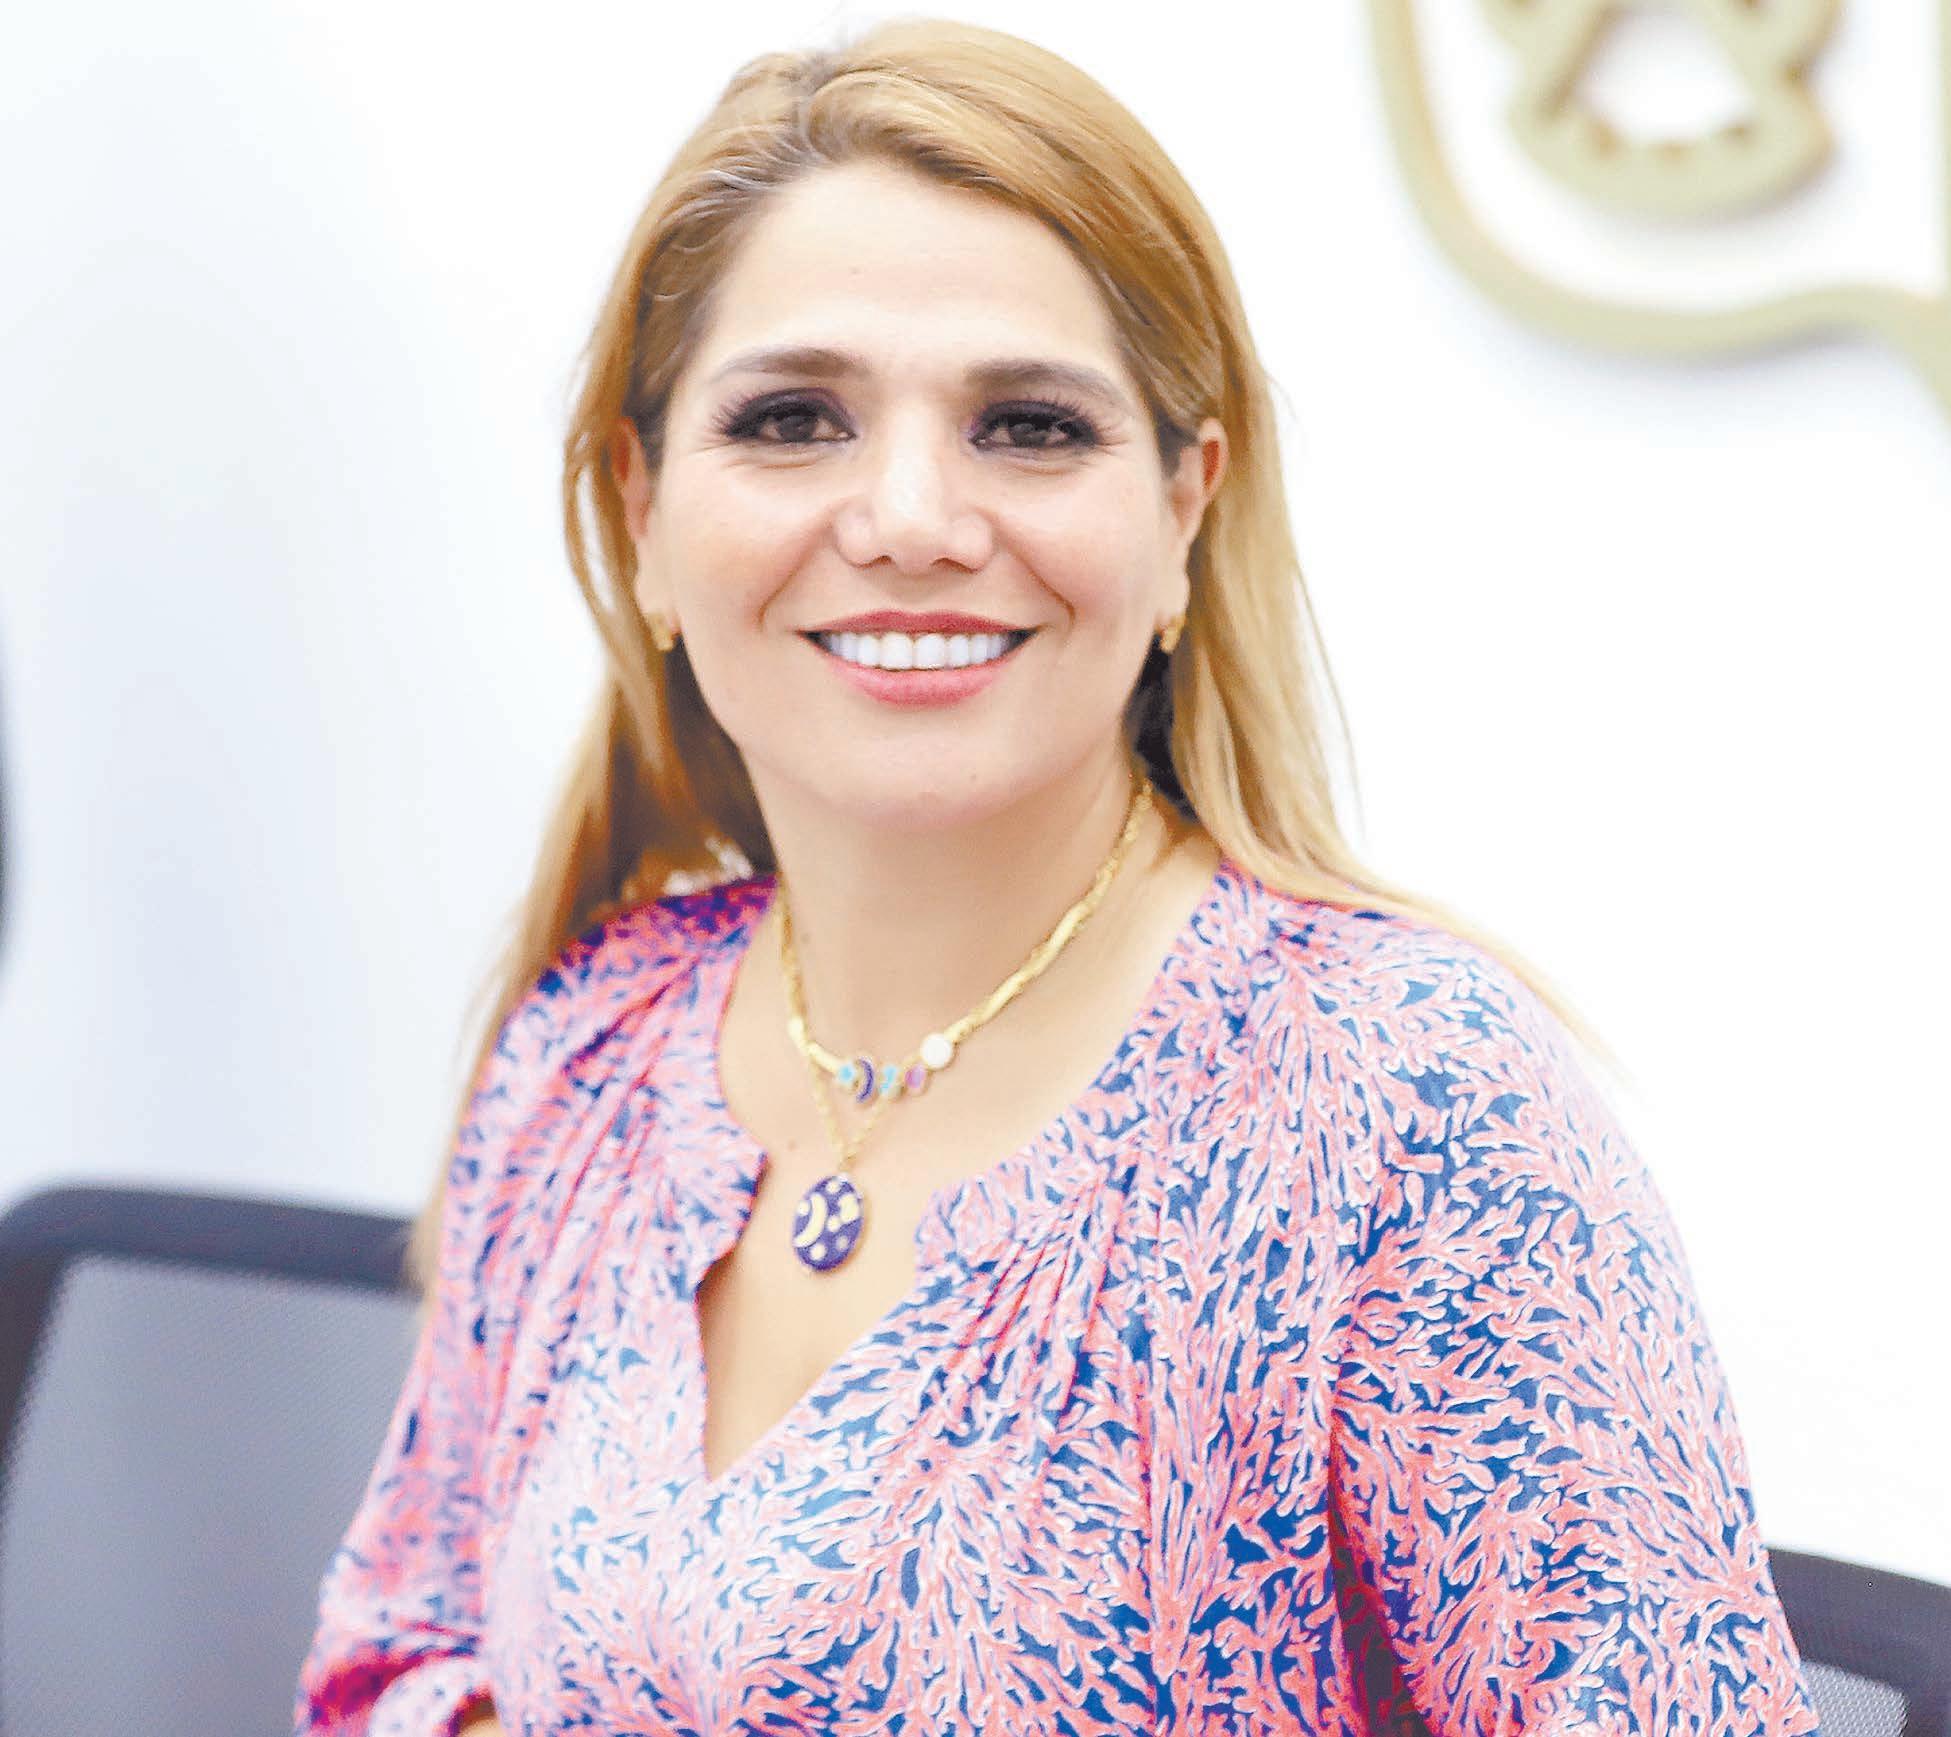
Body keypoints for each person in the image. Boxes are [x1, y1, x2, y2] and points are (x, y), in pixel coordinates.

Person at [294, 18, 1823, 1735]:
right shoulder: (597, 1038)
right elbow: (391, 1658)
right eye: (792, 418)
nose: (910, 516)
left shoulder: (1406, 1105)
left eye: (1027, 426)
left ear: (1183, 514)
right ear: (643, 512)